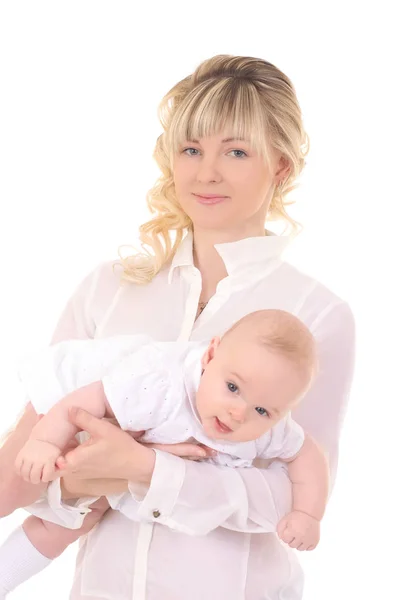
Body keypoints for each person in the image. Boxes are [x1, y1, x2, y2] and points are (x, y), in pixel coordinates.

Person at [0, 54, 355, 600]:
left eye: (236, 151)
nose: (205, 173)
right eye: (191, 149)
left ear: (280, 165)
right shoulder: (109, 288)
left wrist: (147, 470)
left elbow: (291, 496)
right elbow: (24, 466)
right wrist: (83, 479)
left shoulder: (316, 313)